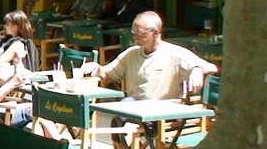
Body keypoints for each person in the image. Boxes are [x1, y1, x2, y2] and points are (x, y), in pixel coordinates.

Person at [81, 11, 217, 100]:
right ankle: (123, 145)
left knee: (124, 118)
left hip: (163, 110)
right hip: (133, 105)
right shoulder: (131, 53)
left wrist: (198, 70)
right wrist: (96, 68)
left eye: (140, 32)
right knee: (119, 116)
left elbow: (212, 68)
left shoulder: (174, 53)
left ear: (155, 33)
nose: (135, 35)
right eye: (133, 31)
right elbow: (107, 73)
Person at [0, 10, 38, 75]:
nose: (5, 26)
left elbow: (0, 61)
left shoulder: (18, 44)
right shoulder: (7, 39)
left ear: (15, 27)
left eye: (7, 24)